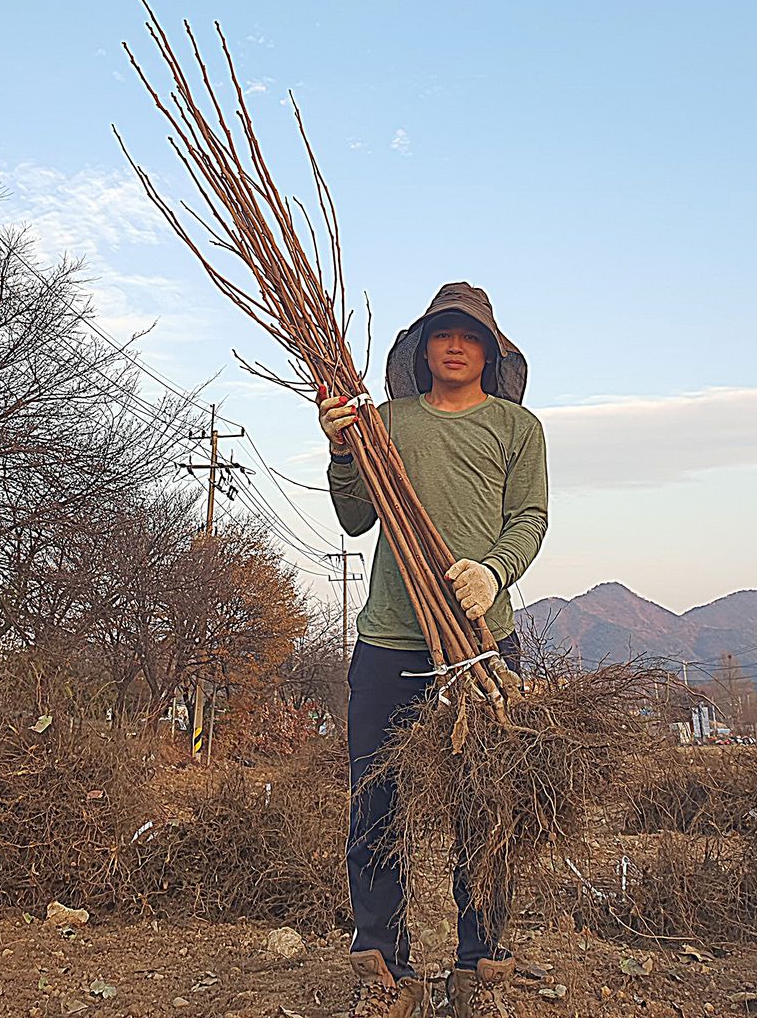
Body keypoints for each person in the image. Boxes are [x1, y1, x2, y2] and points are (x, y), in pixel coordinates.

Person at [319, 282, 548, 1018]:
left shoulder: (518, 428)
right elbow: (356, 517)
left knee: (487, 807)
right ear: (421, 349)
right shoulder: (385, 423)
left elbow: (532, 517)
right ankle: (385, 970)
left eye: (470, 335)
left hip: (482, 646)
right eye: (441, 333)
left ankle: (482, 968)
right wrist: (340, 447)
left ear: (491, 350)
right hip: (390, 641)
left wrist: (493, 571)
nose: (455, 345)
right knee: (375, 804)